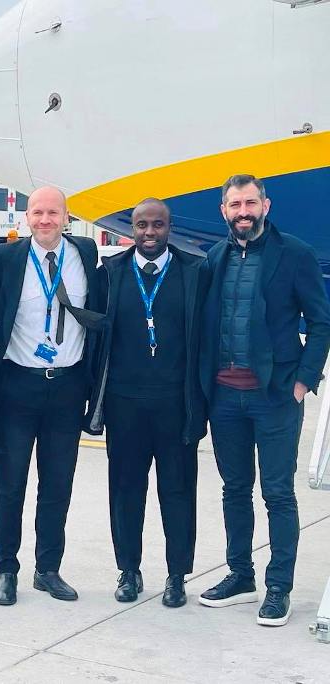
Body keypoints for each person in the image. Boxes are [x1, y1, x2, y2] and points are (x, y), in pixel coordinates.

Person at [198, 174, 330, 626]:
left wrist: (303, 380)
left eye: (250, 203)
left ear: (265, 206)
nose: (243, 212)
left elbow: (321, 321)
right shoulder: (214, 258)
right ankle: (241, 575)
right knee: (234, 489)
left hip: (274, 397)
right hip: (225, 398)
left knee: (277, 493)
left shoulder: (294, 254)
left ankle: (278, 587)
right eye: (235, 205)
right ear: (224, 210)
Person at [0, 186, 104, 606]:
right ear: (27, 217)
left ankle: (48, 569)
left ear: (67, 217)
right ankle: (6, 569)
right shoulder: (3, 259)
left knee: (57, 484)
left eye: (53, 213)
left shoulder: (86, 253)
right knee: (9, 484)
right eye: (38, 212)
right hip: (17, 385)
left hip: (68, 387)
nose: (45, 220)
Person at [85, 199, 208, 608]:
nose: (149, 232)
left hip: (176, 405)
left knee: (178, 491)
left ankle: (176, 576)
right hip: (125, 405)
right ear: (131, 229)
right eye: (142, 225)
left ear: (169, 227)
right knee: (125, 490)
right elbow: (95, 340)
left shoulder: (193, 272)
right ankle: (129, 570)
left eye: (157, 224)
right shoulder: (111, 273)